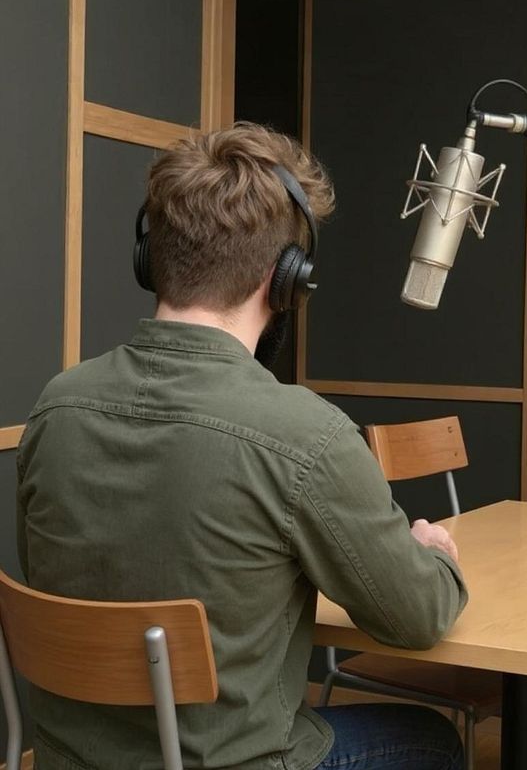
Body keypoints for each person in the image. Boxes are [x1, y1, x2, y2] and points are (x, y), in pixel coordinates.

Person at [17, 123, 467, 770]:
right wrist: (436, 558)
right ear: (286, 279)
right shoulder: (304, 436)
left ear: (151, 257)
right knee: (431, 740)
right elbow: (418, 614)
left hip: (67, 762)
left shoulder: (55, 408)